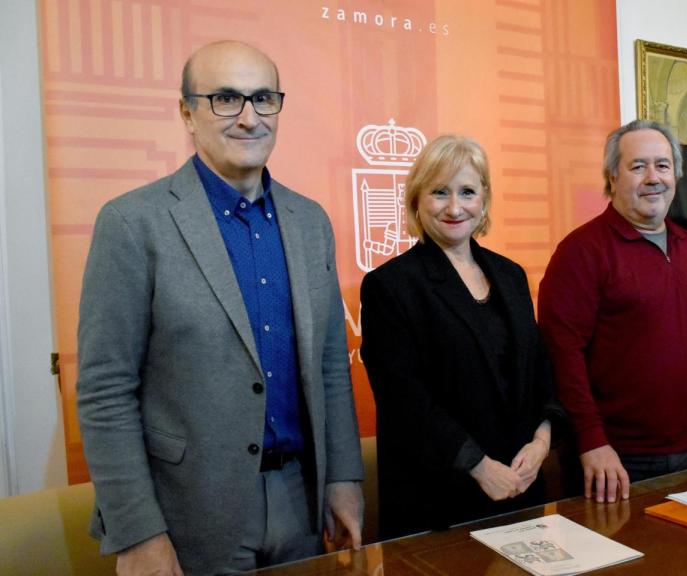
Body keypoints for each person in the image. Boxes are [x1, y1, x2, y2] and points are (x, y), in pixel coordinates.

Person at [76, 41, 364, 575]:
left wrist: (343, 479)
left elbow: (330, 368)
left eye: (263, 98)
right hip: (188, 515)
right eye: (226, 99)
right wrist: (137, 533)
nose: (249, 117)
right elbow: (105, 391)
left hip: (302, 502)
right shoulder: (132, 223)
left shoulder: (310, 222)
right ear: (187, 112)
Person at [537, 119, 687, 504]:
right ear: (612, 176)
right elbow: (562, 356)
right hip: (611, 460)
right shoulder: (580, 252)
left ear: (676, 173)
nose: (652, 177)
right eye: (637, 166)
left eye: (662, 165)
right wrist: (592, 439)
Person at [360, 135, 565, 539]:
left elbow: (540, 373)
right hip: (438, 504)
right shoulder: (390, 285)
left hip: (521, 492)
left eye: (467, 191)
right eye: (440, 192)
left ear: (484, 199)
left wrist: (542, 441)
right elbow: (405, 401)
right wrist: (479, 466)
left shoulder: (511, 275)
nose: (455, 207)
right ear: (417, 200)